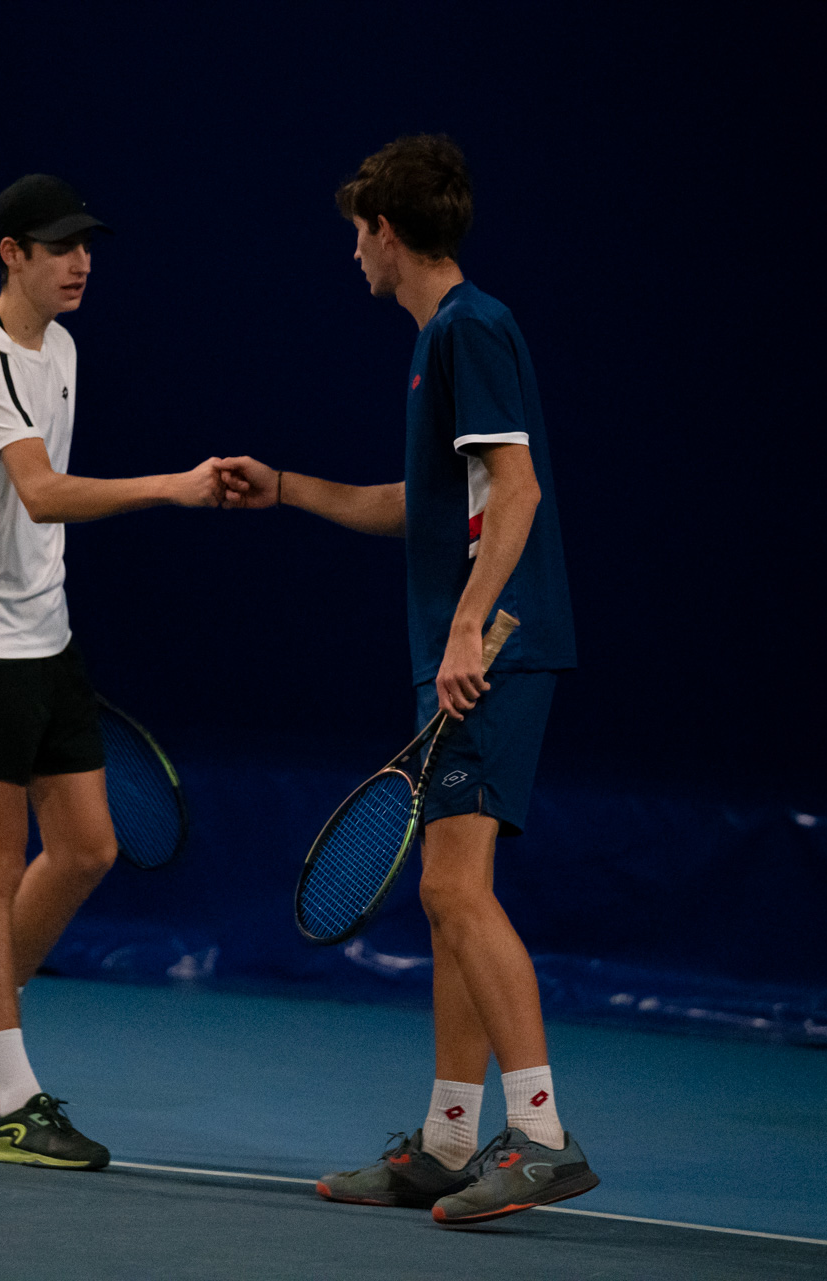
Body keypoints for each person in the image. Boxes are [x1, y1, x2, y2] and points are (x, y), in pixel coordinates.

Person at [217, 135, 598, 1224]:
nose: (353, 253)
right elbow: (425, 506)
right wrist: (285, 487)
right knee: (445, 897)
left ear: (387, 232)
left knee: (453, 891)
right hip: (466, 650)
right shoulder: (446, 338)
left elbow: (518, 491)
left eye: (357, 233)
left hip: (492, 648)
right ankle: (447, 1141)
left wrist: (469, 629)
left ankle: (541, 1137)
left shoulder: (469, 327)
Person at [0, 173, 226, 1170]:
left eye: (87, 245)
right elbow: (41, 494)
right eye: (59, 247)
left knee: (87, 847)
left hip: (45, 636)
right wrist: (173, 487)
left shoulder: (64, 349)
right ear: (12, 254)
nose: (81, 262)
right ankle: (13, 1099)